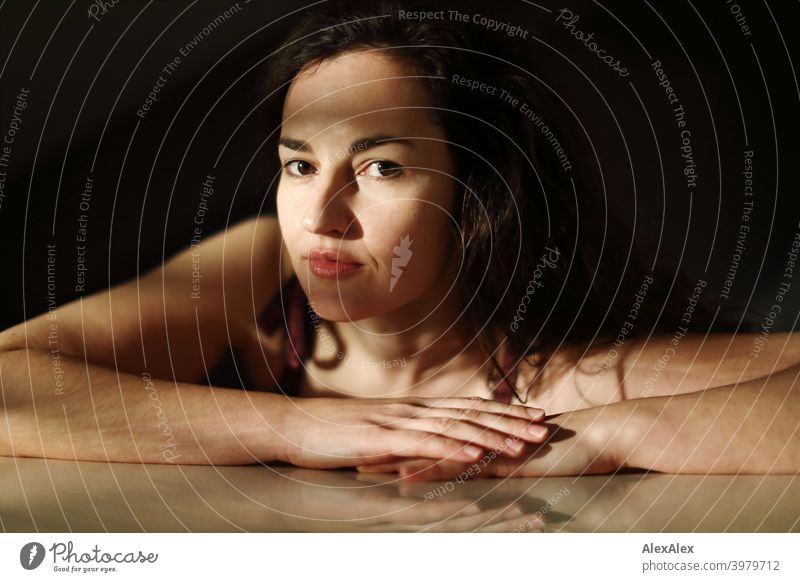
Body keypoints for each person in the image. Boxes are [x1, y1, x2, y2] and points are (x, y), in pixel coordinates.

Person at [1, 0, 797, 481]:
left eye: (380, 166)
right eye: (301, 164)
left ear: (476, 191)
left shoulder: (536, 390)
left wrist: (614, 433)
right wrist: (309, 429)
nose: (323, 215)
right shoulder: (260, 271)